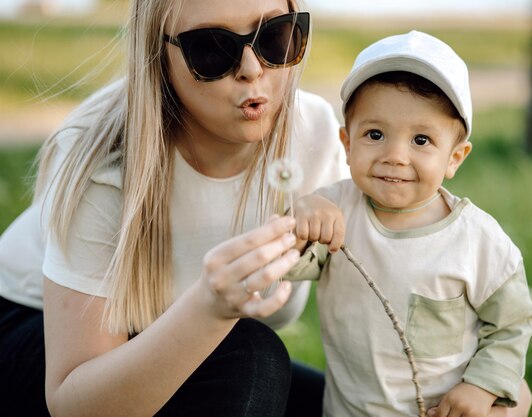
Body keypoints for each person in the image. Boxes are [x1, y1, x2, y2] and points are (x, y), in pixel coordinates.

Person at [0, 0, 348, 416]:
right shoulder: (104, 162)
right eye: (212, 48)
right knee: (253, 358)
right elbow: (73, 403)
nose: (253, 69)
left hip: (199, 346)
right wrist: (207, 308)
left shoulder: (318, 132)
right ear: (158, 57)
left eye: (275, 36)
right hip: (37, 335)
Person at [284, 30, 532, 417]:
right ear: (347, 143)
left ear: (455, 157)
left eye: (421, 140)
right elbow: (286, 265)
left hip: (443, 409)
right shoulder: (335, 209)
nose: (395, 156)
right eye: (375, 134)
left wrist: (481, 387)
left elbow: (513, 324)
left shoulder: (478, 241)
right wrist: (297, 220)